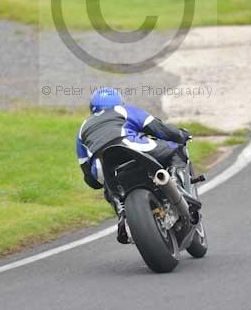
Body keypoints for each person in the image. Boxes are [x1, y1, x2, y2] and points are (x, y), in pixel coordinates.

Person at [76, 87, 193, 243]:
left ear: (92, 108)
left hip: (103, 165)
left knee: (108, 188)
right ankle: (176, 181)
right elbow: (159, 129)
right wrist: (181, 135)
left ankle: (122, 212)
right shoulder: (124, 110)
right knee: (177, 149)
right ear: (119, 101)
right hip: (132, 147)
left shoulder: (82, 127)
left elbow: (89, 176)